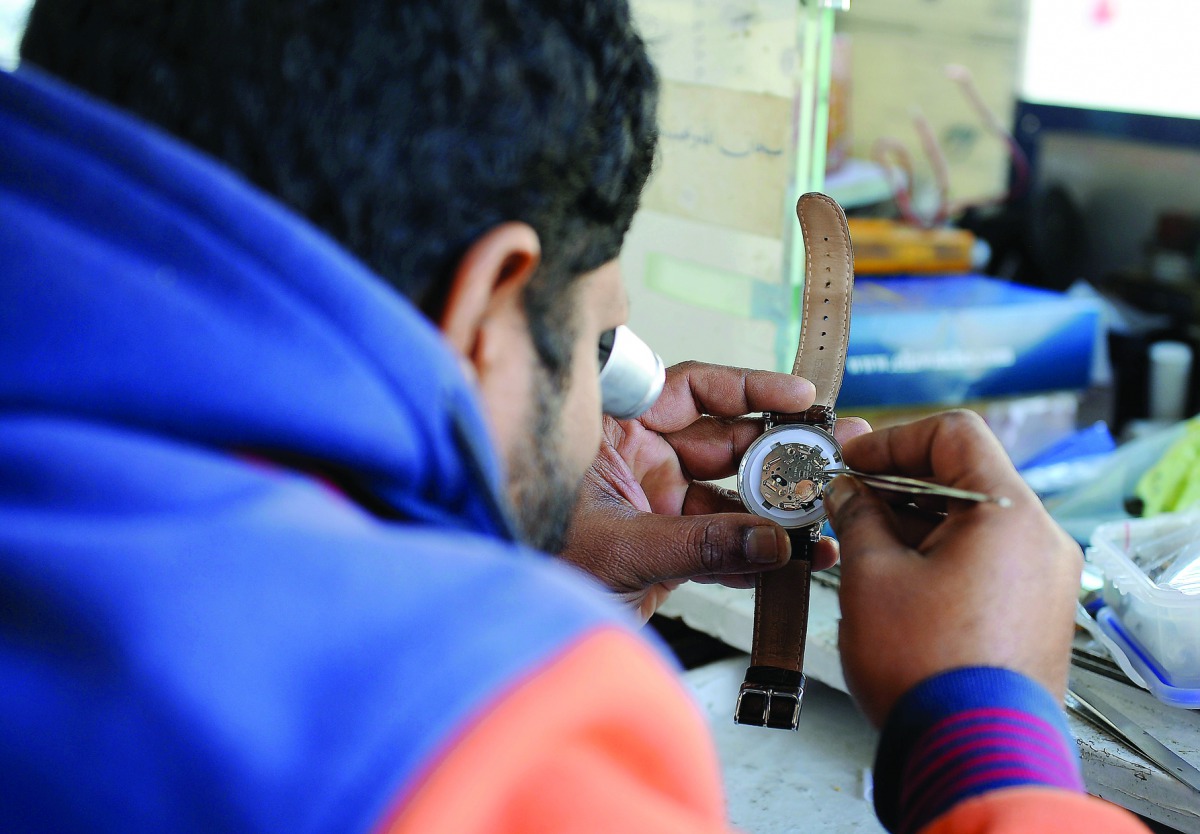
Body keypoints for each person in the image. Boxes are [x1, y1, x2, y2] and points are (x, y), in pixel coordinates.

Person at [0, 1, 1147, 832]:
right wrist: (989, 730)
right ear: (488, 298)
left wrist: (484, 519)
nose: (606, 412)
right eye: (599, 345)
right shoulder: (476, 729)